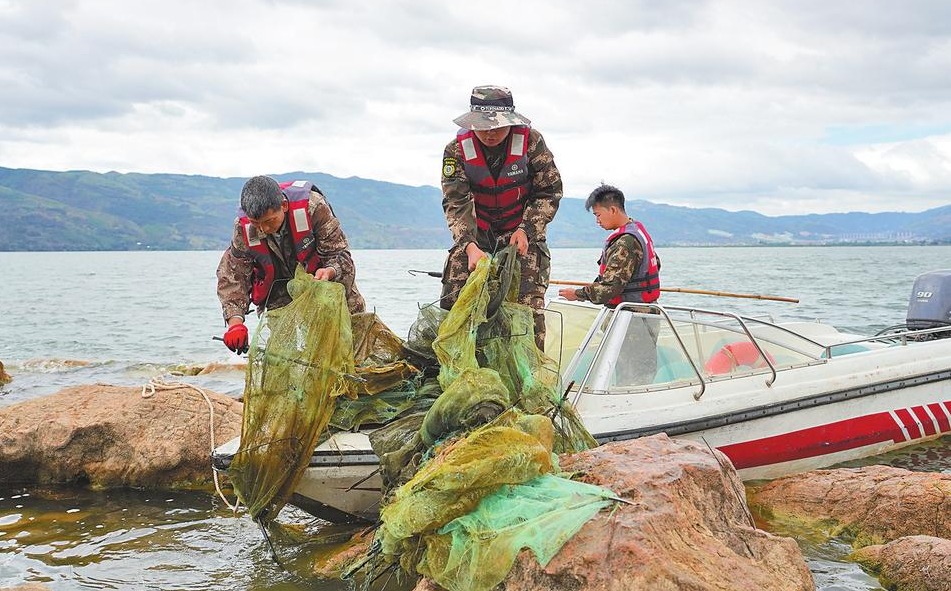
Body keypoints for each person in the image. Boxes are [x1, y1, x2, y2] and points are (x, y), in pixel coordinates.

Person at [440, 85, 563, 350]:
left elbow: (549, 191)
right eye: (483, 127)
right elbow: (455, 201)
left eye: (497, 127)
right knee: (455, 305)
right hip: (476, 236)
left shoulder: (532, 142)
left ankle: (530, 377)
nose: (490, 134)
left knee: (526, 316)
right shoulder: (456, 151)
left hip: (521, 235)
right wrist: (469, 246)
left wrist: (526, 229)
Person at [216, 175, 366, 354]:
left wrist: (329, 271)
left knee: (351, 344)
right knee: (282, 354)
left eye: (269, 221)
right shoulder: (244, 228)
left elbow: (341, 256)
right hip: (278, 293)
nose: (263, 229)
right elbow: (233, 276)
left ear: (284, 206)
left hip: (324, 286)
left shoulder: (313, 208)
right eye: (256, 223)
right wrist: (235, 324)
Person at [558, 184, 661, 386]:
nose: (597, 220)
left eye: (598, 215)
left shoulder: (625, 242)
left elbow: (608, 289)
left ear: (613, 209)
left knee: (632, 378)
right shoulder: (638, 232)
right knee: (636, 373)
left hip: (631, 321)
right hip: (645, 315)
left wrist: (576, 294)